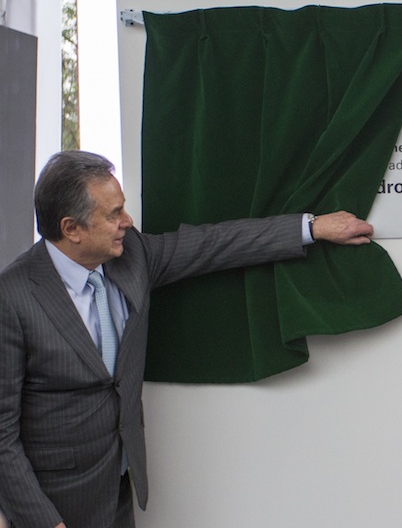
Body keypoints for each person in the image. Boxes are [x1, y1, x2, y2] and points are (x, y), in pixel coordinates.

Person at [0, 150, 376, 528]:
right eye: (113, 214)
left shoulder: (133, 255)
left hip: (120, 486)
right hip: (53, 503)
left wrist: (313, 227)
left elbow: (215, 244)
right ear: (71, 229)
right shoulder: (12, 298)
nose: (127, 222)